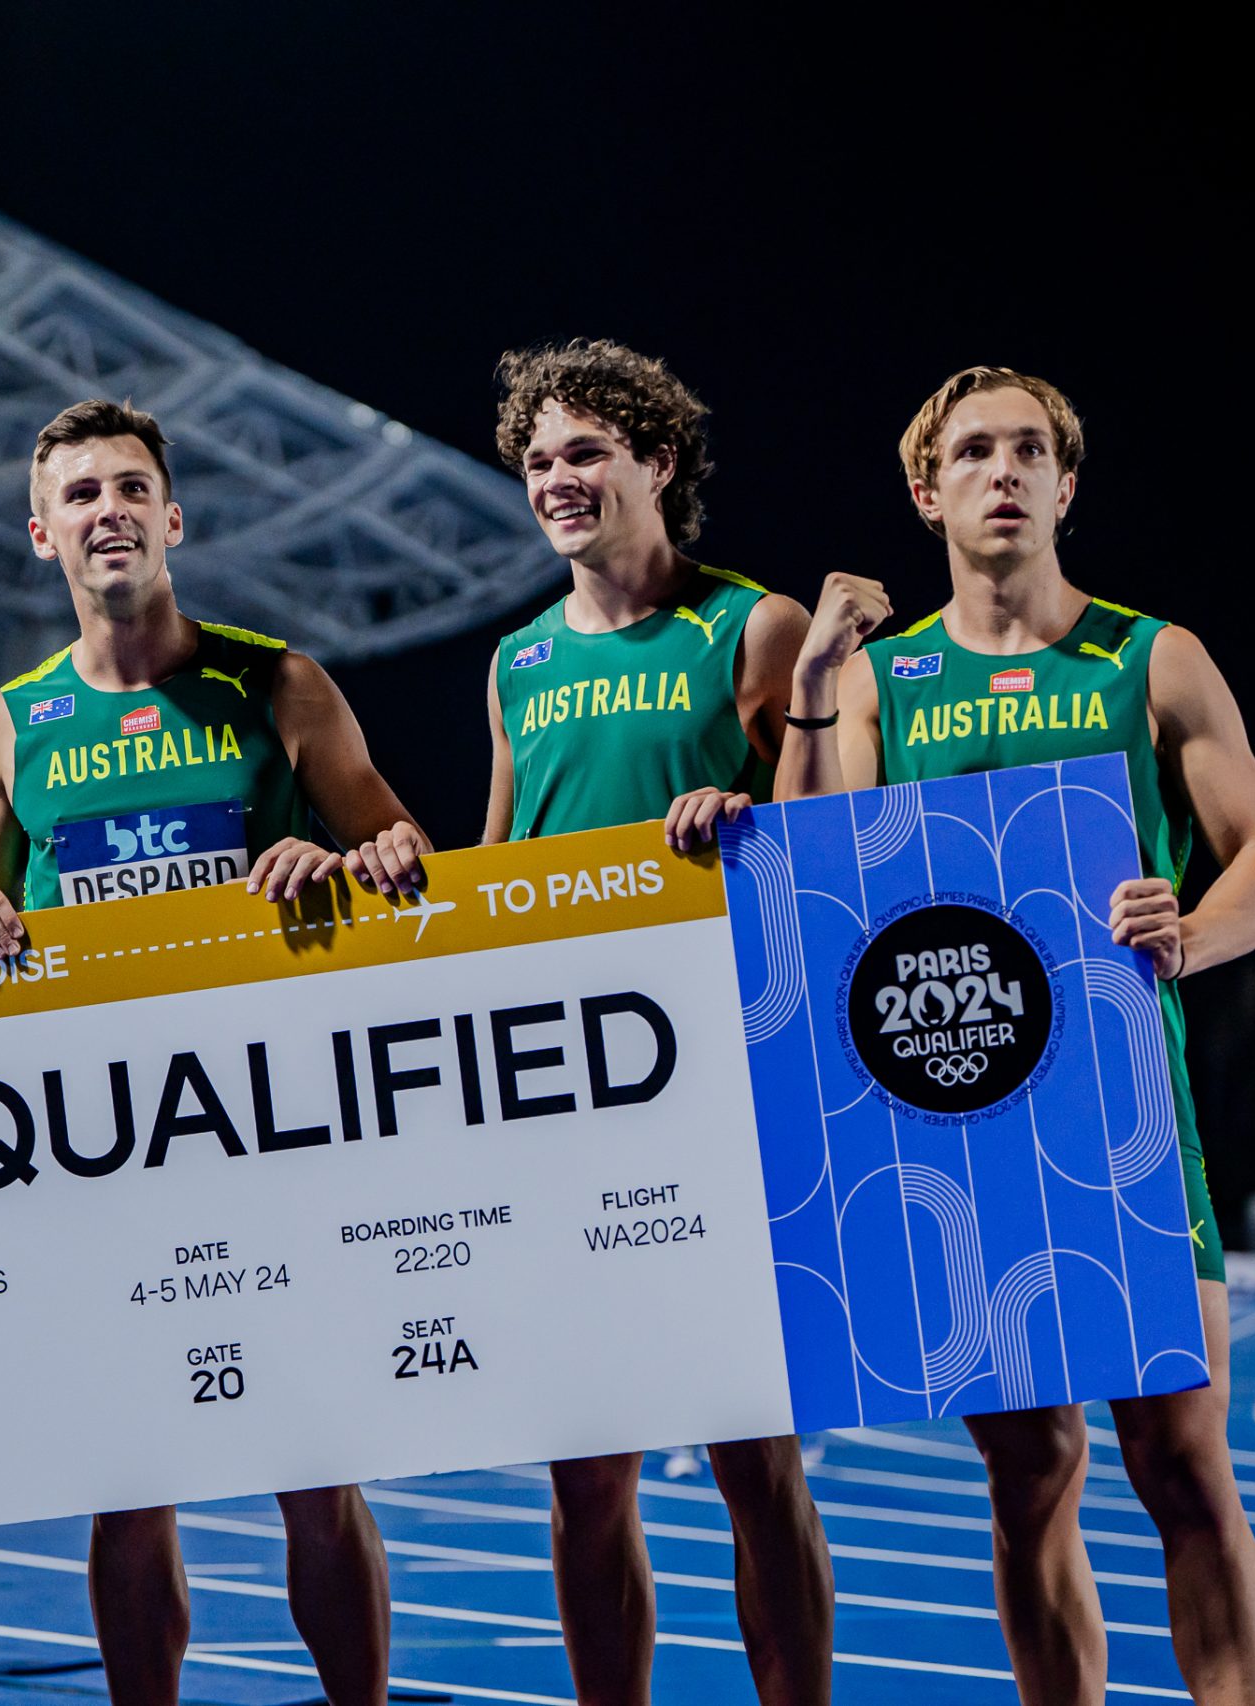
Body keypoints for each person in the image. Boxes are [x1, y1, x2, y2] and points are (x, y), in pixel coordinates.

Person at [776, 365, 1255, 1705]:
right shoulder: (887, 682)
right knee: (1032, 1476)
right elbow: (819, 868)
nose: (1000, 472)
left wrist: (1188, 924)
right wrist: (822, 672)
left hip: (1123, 1122)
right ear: (926, 488)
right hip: (965, 1133)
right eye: (972, 453)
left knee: (1186, 1467)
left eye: (1027, 451)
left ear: (1068, 485)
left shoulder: (1148, 657)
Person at [0, 399, 426, 1706]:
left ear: (173, 516)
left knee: (314, 1474)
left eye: (130, 486)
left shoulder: (278, 682)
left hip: (268, 1129)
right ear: (44, 534)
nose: (108, 510)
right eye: (80, 494)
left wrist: (342, 853)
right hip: (102, 1151)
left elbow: (408, 861)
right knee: (130, 1483)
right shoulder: (10, 720)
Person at [481, 341, 831, 1705]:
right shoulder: (517, 660)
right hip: (567, 1104)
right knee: (586, 1473)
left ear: (657, 462)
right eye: (539, 461)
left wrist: (753, 822)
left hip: (724, 1094)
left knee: (756, 1462)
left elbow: (831, 836)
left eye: (584, 452)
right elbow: (500, 871)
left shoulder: (752, 626)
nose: (558, 480)